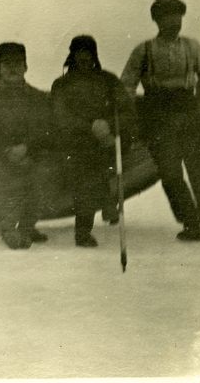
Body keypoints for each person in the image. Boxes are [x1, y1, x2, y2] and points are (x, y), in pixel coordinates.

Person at [120, 0, 200, 241]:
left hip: (187, 112)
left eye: (178, 17)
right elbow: (126, 84)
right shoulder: (144, 50)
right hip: (156, 116)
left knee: (199, 170)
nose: (175, 22)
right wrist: (133, 114)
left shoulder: (192, 47)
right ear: (157, 20)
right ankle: (190, 223)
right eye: (168, 17)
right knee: (170, 173)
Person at [51, 35, 137, 248]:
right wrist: (91, 127)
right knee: (86, 172)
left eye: (88, 53)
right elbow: (60, 117)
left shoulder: (108, 80)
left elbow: (126, 111)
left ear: (94, 55)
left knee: (93, 168)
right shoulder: (62, 84)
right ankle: (88, 225)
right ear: (72, 55)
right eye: (79, 53)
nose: (84, 58)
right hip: (75, 142)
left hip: (106, 141)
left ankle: (105, 202)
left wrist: (108, 126)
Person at [0, 43, 52, 249]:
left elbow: (43, 129)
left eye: (17, 64)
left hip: (28, 153)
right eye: (6, 64)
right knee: (1, 177)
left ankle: (27, 227)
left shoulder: (38, 97)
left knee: (42, 175)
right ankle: (7, 227)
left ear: (25, 67)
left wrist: (26, 149)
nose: (12, 69)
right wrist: (7, 151)